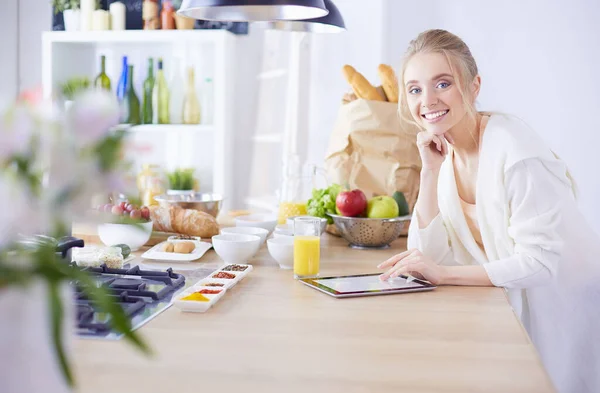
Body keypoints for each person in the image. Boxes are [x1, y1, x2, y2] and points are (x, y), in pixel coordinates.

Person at [377, 29, 600, 393]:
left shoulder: (515, 151)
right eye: (415, 89)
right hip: (516, 313)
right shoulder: (446, 152)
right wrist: (429, 172)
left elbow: (540, 264)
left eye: (443, 83)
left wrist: (446, 276)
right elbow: (428, 254)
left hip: (570, 308)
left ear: (474, 85)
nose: (427, 100)